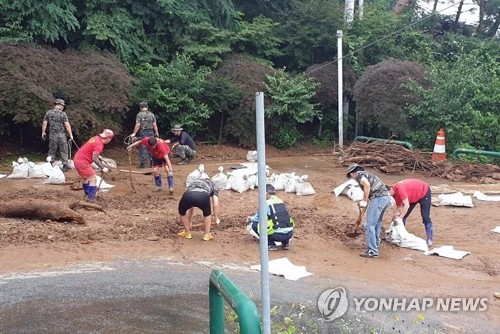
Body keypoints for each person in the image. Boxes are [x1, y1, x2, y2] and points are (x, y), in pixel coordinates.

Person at [347, 164, 391, 258]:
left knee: (369, 225)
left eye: (350, 175)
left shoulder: (359, 175)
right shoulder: (368, 175)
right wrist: (366, 201)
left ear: (352, 173)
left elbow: (367, 185)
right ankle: (376, 245)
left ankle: (372, 251)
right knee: (377, 223)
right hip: (385, 198)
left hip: (379, 198)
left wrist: (364, 200)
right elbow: (371, 190)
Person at [246, 184, 294, 251]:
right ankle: (285, 243)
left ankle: (271, 244)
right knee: (280, 221)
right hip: (290, 234)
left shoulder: (265, 203)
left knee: (255, 224)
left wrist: (250, 218)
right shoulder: (281, 201)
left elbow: (258, 218)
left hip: (277, 235)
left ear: (266, 193)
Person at [387, 179, 434, 246]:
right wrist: (397, 215)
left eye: (389, 194)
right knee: (404, 215)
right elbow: (400, 207)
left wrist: (399, 218)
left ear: (390, 189)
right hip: (412, 196)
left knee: (425, 216)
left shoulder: (400, 189)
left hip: (424, 192)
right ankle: (400, 234)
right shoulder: (394, 195)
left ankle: (430, 238)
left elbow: (406, 205)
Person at [73, 129, 114, 201]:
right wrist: (102, 167)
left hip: (77, 158)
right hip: (82, 161)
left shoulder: (96, 138)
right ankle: (91, 199)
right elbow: (94, 158)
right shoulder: (100, 144)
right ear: (108, 138)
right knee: (93, 178)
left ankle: (87, 194)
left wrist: (99, 156)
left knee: (85, 178)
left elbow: (92, 150)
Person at [177, 175, 219, 241]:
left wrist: (189, 221)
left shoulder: (194, 182)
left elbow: (191, 206)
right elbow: (215, 204)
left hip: (188, 195)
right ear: (209, 179)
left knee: (182, 212)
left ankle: (187, 232)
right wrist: (216, 218)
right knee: (207, 214)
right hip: (203, 196)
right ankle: (206, 235)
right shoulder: (213, 185)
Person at [41, 99, 74, 172]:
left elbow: (44, 123)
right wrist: (70, 134)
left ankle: (50, 165)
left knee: (52, 150)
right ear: (60, 105)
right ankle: (65, 166)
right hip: (61, 135)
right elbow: (67, 125)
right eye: (63, 106)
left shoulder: (49, 113)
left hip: (52, 135)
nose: (63, 107)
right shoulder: (63, 114)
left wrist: (43, 132)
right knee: (64, 150)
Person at [130, 101, 159, 168]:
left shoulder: (139, 114)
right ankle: (152, 162)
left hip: (143, 132)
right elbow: (154, 124)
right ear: (147, 107)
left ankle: (143, 164)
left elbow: (138, 124)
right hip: (151, 132)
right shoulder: (152, 114)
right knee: (151, 146)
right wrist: (156, 132)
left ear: (140, 107)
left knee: (143, 146)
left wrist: (134, 133)